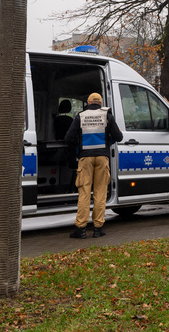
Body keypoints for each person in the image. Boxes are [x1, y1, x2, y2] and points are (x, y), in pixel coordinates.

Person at [64, 92, 123, 239]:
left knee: (84, 192)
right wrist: (108, 142)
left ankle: (81, 228)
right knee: (100, 192)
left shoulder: (80, 116)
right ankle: (98, 228)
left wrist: (79, 145)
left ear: (88, 103)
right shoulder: (107, 116)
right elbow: (119, 137)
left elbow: (68, 138)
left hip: (85, 159)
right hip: (102, 158)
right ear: (100, 103)